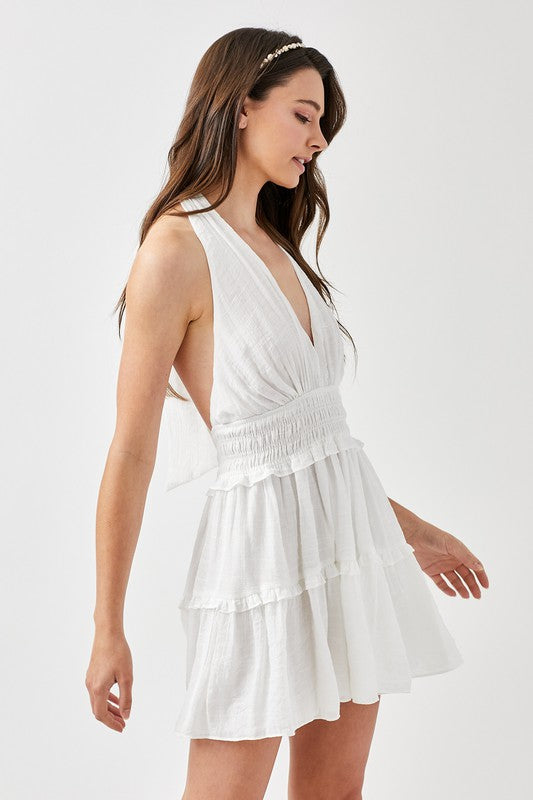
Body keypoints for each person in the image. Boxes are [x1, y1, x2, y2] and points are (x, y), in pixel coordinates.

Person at [85, 27, 490, 800]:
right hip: (258, 561)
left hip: (345, 548)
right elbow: (130, 451)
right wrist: (108, 626)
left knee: (334, 795)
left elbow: (317, 444)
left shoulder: (278, 246)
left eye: (323, 123)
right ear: (241, 107)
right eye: (303, 115)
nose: (318, 139)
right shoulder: (176, 250)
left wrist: (415, 533)